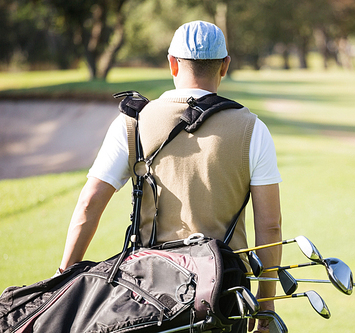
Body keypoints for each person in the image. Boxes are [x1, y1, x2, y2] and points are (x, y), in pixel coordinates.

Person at [58, 21, 282, 333]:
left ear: (172, 63)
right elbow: (270, 227)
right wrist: (266, 307)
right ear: (225, 66)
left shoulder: (132, 123)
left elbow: (88, 204)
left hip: (147, 296)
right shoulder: (253, 129)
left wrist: (64, 277)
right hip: (226, 297)